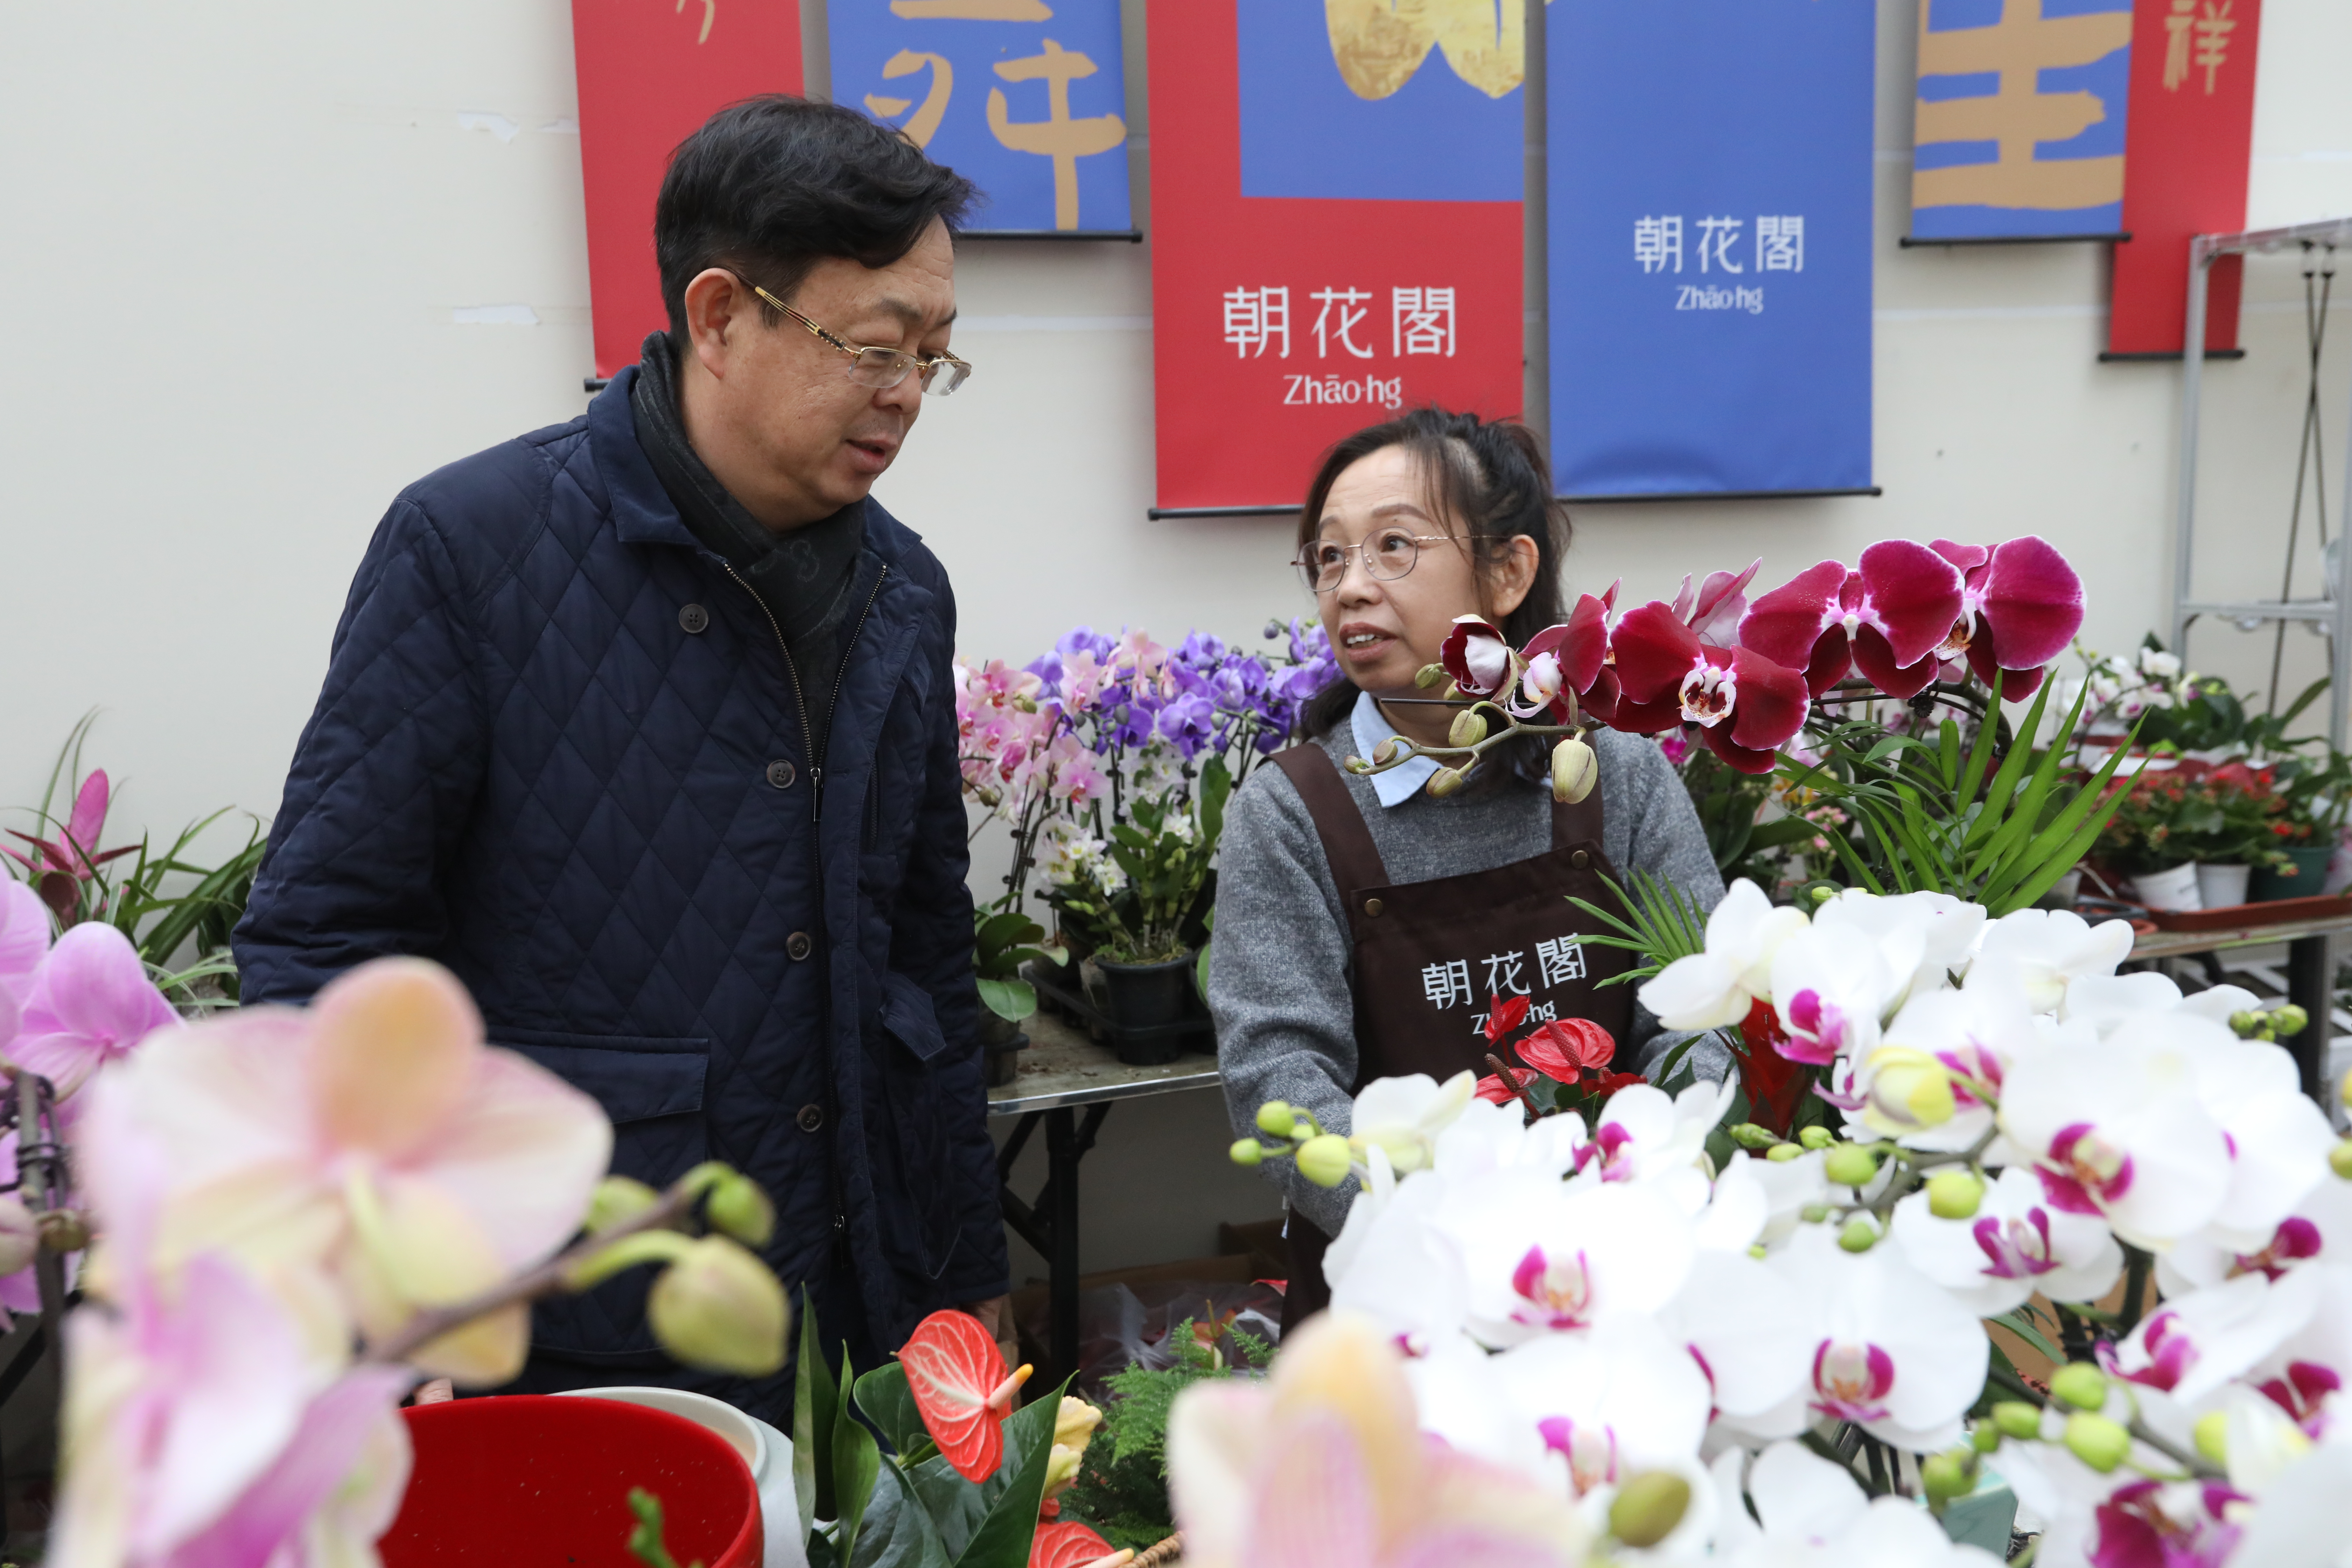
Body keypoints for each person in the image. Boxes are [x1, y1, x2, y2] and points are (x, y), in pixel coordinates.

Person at [233, 96, 1012, 1420]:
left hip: (856, 1297)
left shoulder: (902, 588)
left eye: (934, 356)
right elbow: (321, 943)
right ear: (719, 316)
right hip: (577, 1302)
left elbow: (927, 952)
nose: (905, 396)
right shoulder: (469, 548)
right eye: (875, 346)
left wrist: (967, 1270)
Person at [1207, 408, 1727, 1327]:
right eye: (1329, 558)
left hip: (1623, 1280)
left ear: (1507, 571)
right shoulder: (1293, 813)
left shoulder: (1618, 774)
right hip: (1400, 1305)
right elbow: (1281, 1080)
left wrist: (1634, 1194)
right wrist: (1458, 1249)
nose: (1351, 588)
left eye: (1394, 547)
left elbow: (1701, 1021)